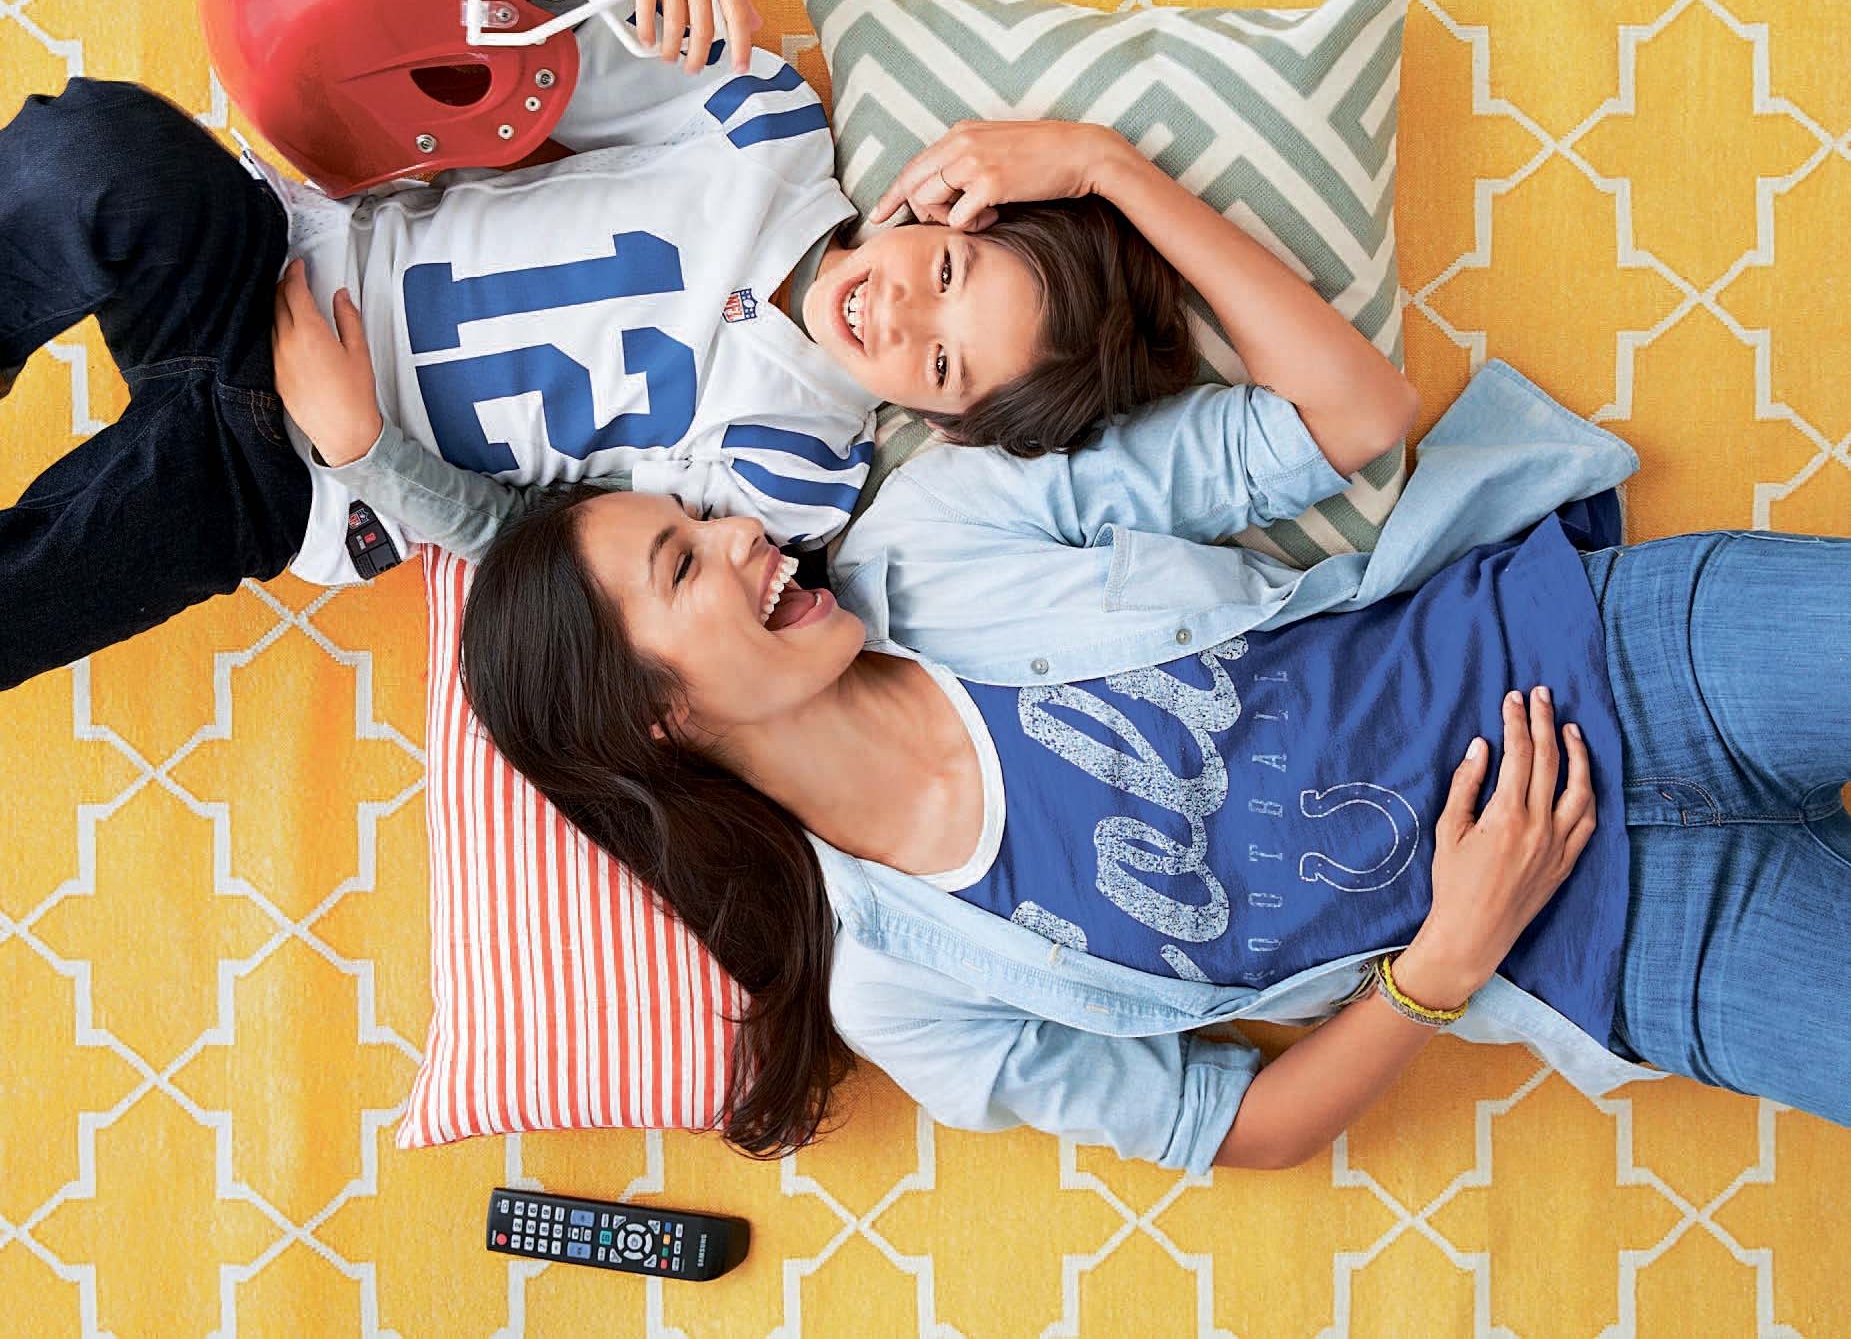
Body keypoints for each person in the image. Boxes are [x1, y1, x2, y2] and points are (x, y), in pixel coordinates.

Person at [303, 131, 1850, 1171]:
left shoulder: (940, 525)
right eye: (685, 563)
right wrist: (1439, 963)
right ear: (657, 716)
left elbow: (1351, 416)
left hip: (1615, 656)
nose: (744, 536)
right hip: (1612, 941)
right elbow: (1239, 1125)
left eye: (702, 517)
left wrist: (1106, 169)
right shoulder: (904, 986)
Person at [0, 0, 1201, 690]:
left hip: (297, 466)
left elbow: (546, 556)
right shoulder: (763, 128)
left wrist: (366, 447)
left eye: (943, 361)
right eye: (947, 274)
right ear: (946, 211)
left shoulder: (791, 475)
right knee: (103, 149)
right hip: (274, 251)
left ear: (946, 422)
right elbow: (527, 16)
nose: (898, 313)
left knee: (86, 555)